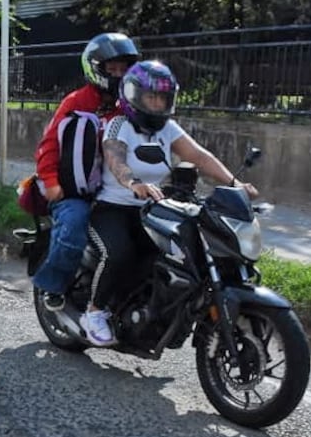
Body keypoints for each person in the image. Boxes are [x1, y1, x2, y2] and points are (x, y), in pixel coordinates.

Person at [80, 60, 260, 346]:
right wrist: (133, 183)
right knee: (119, 254)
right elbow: (115, 159)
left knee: (175, 259)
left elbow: (201, 157)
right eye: (151, 96)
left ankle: (151, 314)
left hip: (152, 208)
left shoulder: (168, 129)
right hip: (113, 208)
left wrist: (234, 184)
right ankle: (94, 313)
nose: (157, 103)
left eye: (162, 98)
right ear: (133, 95)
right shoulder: (119, 125)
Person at [31, 33, 141, 318]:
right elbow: (49, 146)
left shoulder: (130, 106)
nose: (119, 75)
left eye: (124, 69)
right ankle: (53, 286)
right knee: (73, 225)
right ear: (95, 68)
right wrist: (52, 184)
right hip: (75, 189)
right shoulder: (76, 102)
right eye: (112, 69)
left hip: (118, 191)